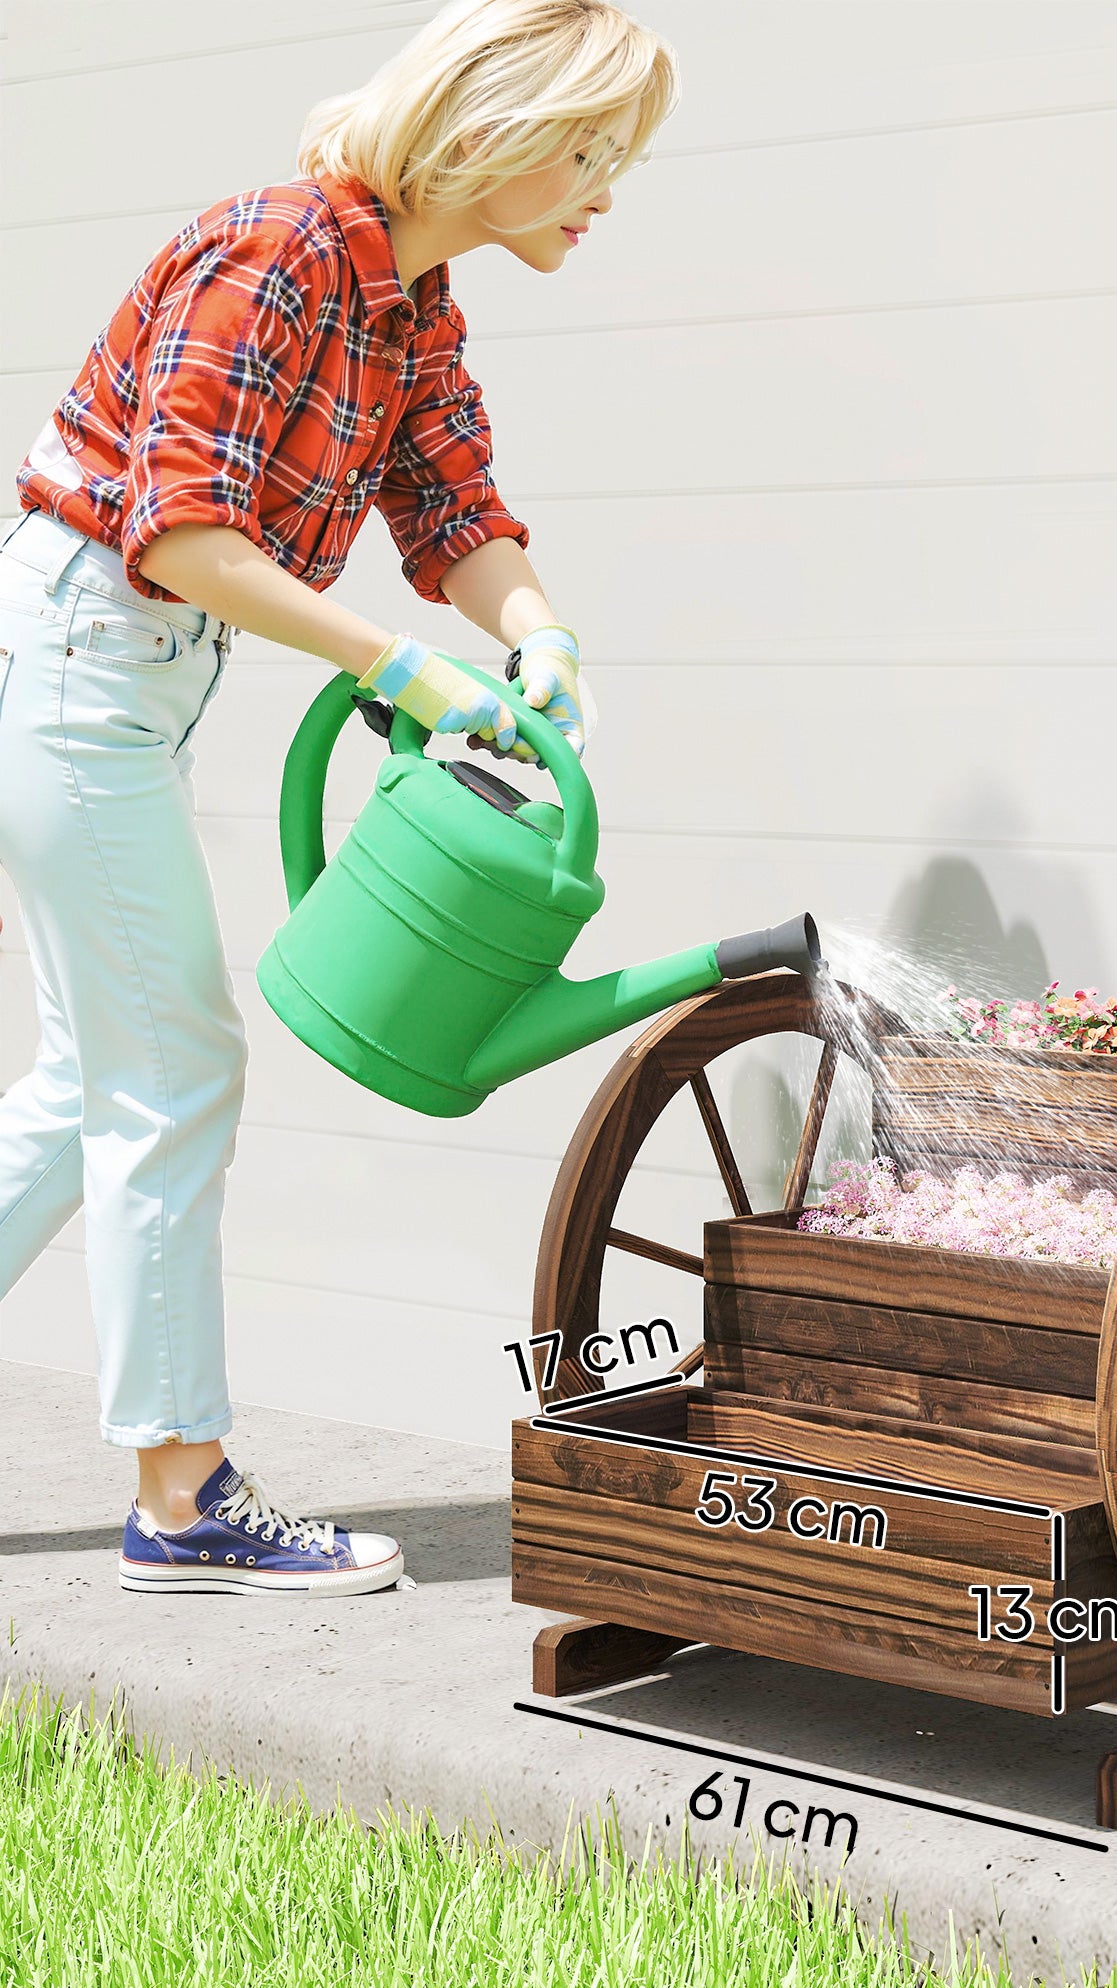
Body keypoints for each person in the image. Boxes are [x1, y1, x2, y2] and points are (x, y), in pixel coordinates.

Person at [0, 0, 675, 1596]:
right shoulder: (277, 256)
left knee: (87, 1081)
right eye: (591, 153)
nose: (607, 191)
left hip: (124, 673)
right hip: (85, 661)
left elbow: (451, 505)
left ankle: (180, 1492)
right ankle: (184, 1503)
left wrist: (536, 632)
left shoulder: (411, 298)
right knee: (175, 1070)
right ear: (492, 140)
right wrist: (398, 666)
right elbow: (179, 534)